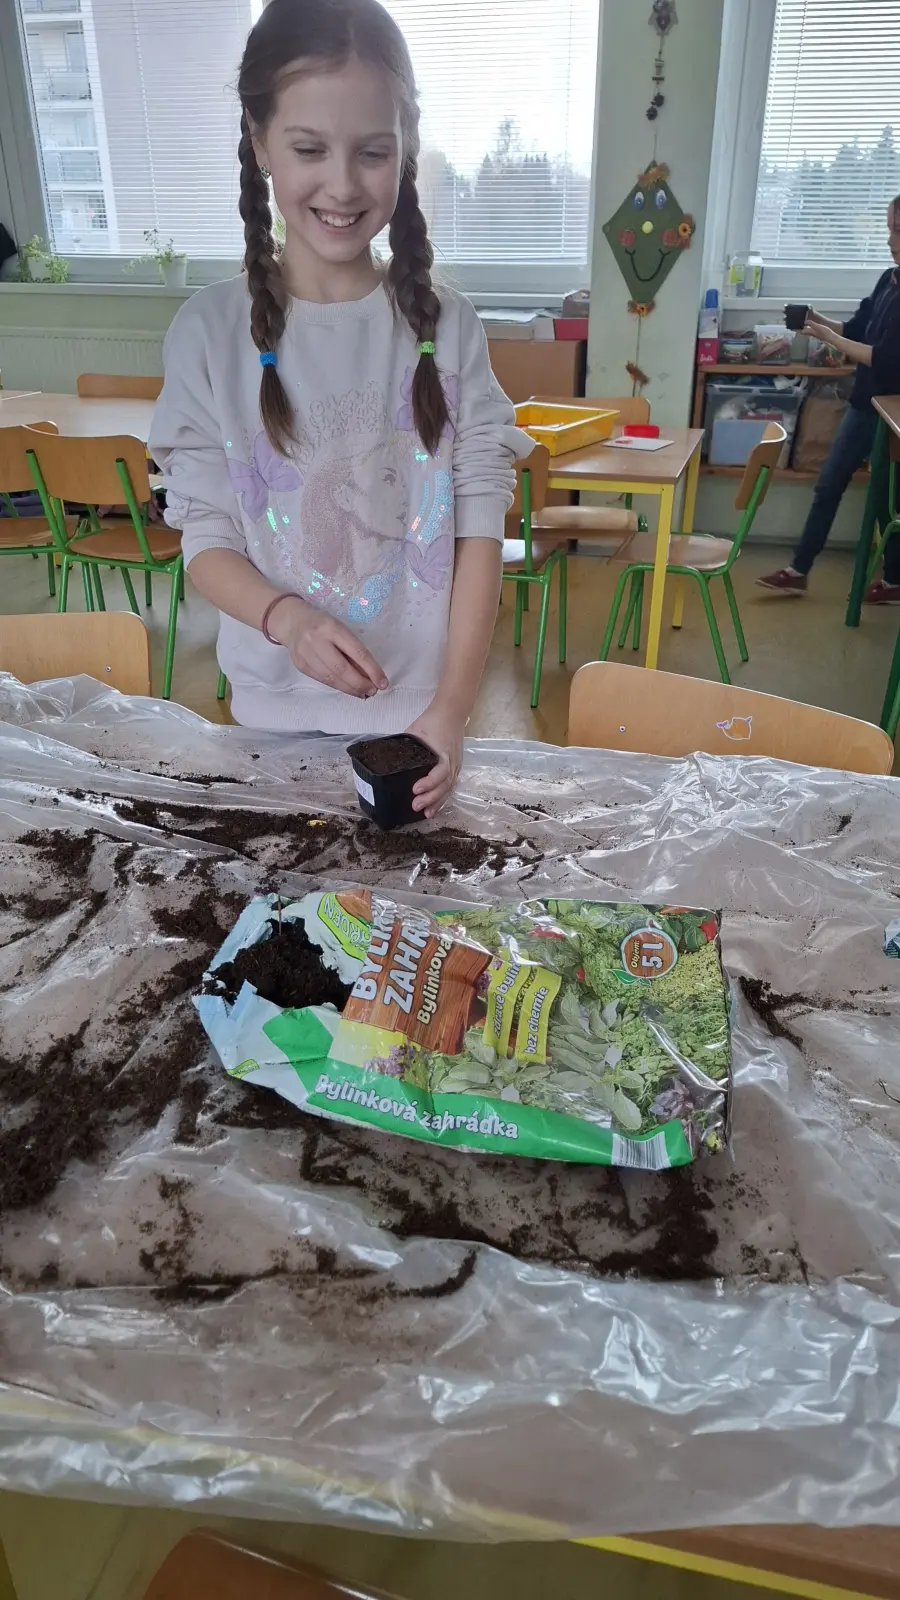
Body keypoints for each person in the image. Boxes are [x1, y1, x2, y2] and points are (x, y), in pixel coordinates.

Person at [149, 0, 527, 816]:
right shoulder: (208, 334)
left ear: (406, 146)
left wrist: (452, 710)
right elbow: (206, 539)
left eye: (374, 152)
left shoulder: (448, 327)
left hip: (423, 722)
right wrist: (285, 619)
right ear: (259, 142)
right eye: (309, 149)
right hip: (270, 722)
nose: (345, 185)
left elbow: (478, 533)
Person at [758, 195, 900, 602]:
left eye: (898, 231)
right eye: (889, 229)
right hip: (864, 404)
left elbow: (883, 358)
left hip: (890, 412)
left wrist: (827, 338)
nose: (890, 240)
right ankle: (799, 569)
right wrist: (815, 319)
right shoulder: (888, 280)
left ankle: (893, 580)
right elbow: (856, 329)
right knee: (829, 484)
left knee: (885, 501)